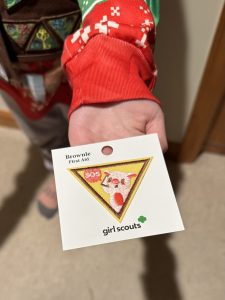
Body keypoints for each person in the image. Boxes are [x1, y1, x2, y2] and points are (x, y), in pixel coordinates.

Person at [0, 0, 167, 218]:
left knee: (85, 129)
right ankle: (57, 167)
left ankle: (73, 168)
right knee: (39, 127)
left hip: (77, 64)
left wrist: (111, 69)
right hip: (11, 73)